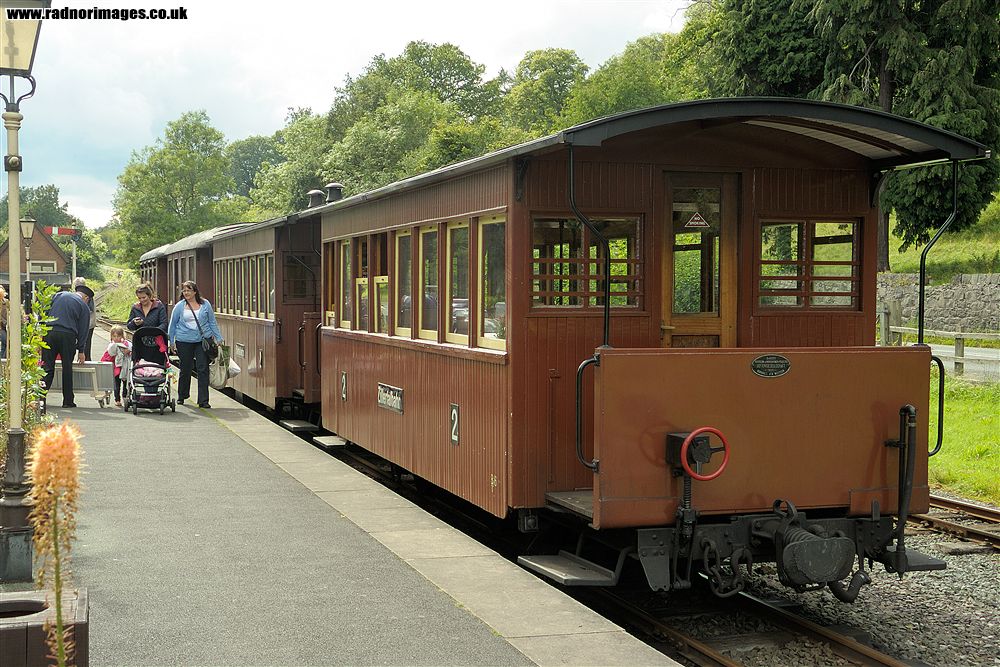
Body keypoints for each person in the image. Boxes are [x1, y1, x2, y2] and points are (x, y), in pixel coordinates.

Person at [167, 280, 223, 409]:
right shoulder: (180, 306)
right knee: (185, 368)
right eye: (184, 290)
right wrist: (172, 341)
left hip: (202, 341)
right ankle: (182, 395)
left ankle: (203, 400)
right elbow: (173, 324)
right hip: (184, 340)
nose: (186, 293)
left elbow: (212, 322)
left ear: (195, 292)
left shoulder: (205, 304)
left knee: (203, 369)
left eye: (188, 290)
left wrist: (218, 337)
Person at [41, 284, 93, 408]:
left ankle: (41, 398)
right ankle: (68, 401)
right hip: (68, 336)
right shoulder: (83, 306)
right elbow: (83, 330)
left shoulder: (58, 295)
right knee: (67, 368)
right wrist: (81, 350)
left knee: (47, 367)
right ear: (86, 297)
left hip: (50, 333)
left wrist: (41, 334)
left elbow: (45, 312)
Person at [100, 324, 131, 407]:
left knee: (125, 384)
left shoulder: (127, 344)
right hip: (115, 368)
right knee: (117, 384)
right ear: (111, 337)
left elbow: (131, 351)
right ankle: (117, 399)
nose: (116, 338)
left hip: (124, 367)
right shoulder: (111, 345)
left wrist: (128, 351)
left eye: (118, 336)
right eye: (114, 336)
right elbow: (109, 354)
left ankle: (125, 397)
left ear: (122, 336)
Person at [74, 277, 97, 360]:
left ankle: (86, 359)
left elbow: (89, 310)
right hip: (86, 323)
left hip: (89, 323)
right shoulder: (84, 295)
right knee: (85, 343)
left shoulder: (87, 297)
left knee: (86, 344)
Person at [0, 285, 8, 359]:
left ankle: (3, 360)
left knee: (4, 346)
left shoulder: (6, 302)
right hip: (2, 327)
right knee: (7, 342)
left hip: (5, 327)